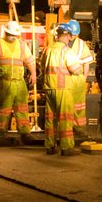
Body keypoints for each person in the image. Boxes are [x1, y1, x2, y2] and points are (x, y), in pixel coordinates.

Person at [0, 20, 37, 144]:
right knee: (3, 109)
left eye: (15, 35)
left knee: (22, 108)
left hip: (19, 83)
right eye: (10, 34)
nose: (13, 37)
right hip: (4, 83)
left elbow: (30, 61)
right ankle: (2, 133)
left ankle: (25, 133)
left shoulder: (22, 45)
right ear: (5, 33)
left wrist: (33, 74)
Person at [40, 21, 83, 156]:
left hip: (49, 87)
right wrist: (80, 67)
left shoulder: (47, 49)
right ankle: (66, 147)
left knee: (50, 119)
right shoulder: (66, 51)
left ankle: (50, 146)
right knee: (65, 118)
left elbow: (41, 66)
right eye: (70, 36)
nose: (70, 39)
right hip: (63, 88)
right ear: (67, 35)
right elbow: (76, 70)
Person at [64, 19, 94, 139]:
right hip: (65, 78)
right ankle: (66, 128)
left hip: (77, 79)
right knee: (65, 105)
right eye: (71, 34)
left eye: (75, 35)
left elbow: (86, 62)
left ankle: (79, 129)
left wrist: (84, 78)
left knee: (79, 106)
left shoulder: (81, 44)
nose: (73, 37)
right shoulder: (62, 43)